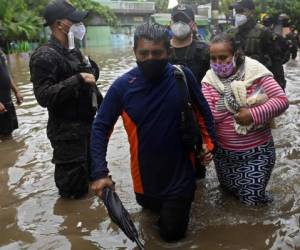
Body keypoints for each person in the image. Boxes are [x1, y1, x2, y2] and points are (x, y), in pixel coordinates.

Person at [90, 22, 216, 241]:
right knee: (149, 219)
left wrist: (209, 144)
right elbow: (100, 128)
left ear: (168, 51)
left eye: (157, 53)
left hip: (181, 175)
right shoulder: (122, 87)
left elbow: (203, 111)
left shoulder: (182, 77)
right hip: (144, 179)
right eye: (144, 53)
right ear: (135, 53)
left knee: (172, 235)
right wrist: (99, 173)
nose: (150, 58)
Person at [202, 33, 289, 205]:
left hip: (256, 154)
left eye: (223, 57)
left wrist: (253, 114)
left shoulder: (255, 73)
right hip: (224, 157)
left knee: (251, 203)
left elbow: (281, 101)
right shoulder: (209, 81)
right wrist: (205, 145)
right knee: (229, 197)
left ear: (236, 54)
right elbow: (205, 118)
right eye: (213, 59)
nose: (218, 63)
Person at [29, 0, 102, 199]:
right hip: (67, 136)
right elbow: (43, 96)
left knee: (92, 183)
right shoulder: (44, 56)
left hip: (87, 128)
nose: (80, 26)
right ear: (60, 24)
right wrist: (77, 79)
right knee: (73, 195)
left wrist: (90, 70)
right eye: (75, 21)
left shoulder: (74, 52)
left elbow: (90, 80)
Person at [169, 4, 210, 178]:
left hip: (197, 115)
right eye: (176, 20)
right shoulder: (158, 50)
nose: (179, 24)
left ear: (193, 24)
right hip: (168, 114)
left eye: (184, 20)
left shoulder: (205, 50)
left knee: (199, 168)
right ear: (170, 23)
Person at [227, 0, 288, 90]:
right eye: (236, 11)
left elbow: (276, 61)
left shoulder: (264, 33)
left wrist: (280, 86)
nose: (238, 15)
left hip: (260, 84)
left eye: (242, 11)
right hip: (237, 85)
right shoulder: (231, 34)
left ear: (252, 12)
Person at [0, 48, 23, 136]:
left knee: (8, 135)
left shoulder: (1, 52)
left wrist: (16, 91)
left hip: (7, 101)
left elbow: (6, 73)